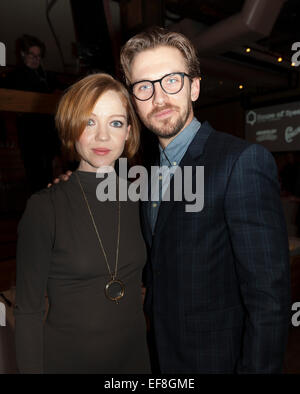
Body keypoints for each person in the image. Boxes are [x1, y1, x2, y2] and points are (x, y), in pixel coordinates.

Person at [56, 27, 291, 374]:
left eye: (172, 81)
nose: (159, 98)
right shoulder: (146, 175)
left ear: (194, 87)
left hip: (220, 361)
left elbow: (269, 299)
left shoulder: (241, 162)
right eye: (144, 87)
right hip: (161, 355)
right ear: (134, 100)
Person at [14, 73, 151, 374]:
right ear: (70, 128)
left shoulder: (143, 198)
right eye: (90, 122)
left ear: (129, 131)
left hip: (135, 362)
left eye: (115, 123)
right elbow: (28, 311)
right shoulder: (44, 207)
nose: (103, 137)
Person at [5, 34, 60, 194]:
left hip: (47, 136)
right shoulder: (14, 76)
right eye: (32, 55)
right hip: (30, 136)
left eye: (38, 56)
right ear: (23, 54)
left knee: (48, 176)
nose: (36, 59)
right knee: (35, 178)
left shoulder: (46, 75)